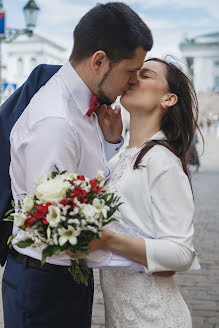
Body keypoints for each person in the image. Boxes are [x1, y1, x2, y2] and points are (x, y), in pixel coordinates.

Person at [1, 2, 154, 328]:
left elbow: (87, 184)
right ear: (99, 61)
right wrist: (140, 257)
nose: (133, 82)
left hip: (64, 279)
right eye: (130, 71)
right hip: (44, 286)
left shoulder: (85, 106)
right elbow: (53, 233)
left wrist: (112, 143)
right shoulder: (58, 121)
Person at [88, 58, 201, 328]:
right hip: (123, 316)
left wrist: (108, 240)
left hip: (154, 318)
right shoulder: (131, 154)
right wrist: (112, 142)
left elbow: (180, 253)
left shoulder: (162, 159)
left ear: (168, 98)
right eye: (133, 72)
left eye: (146, 75)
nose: (133, 78)